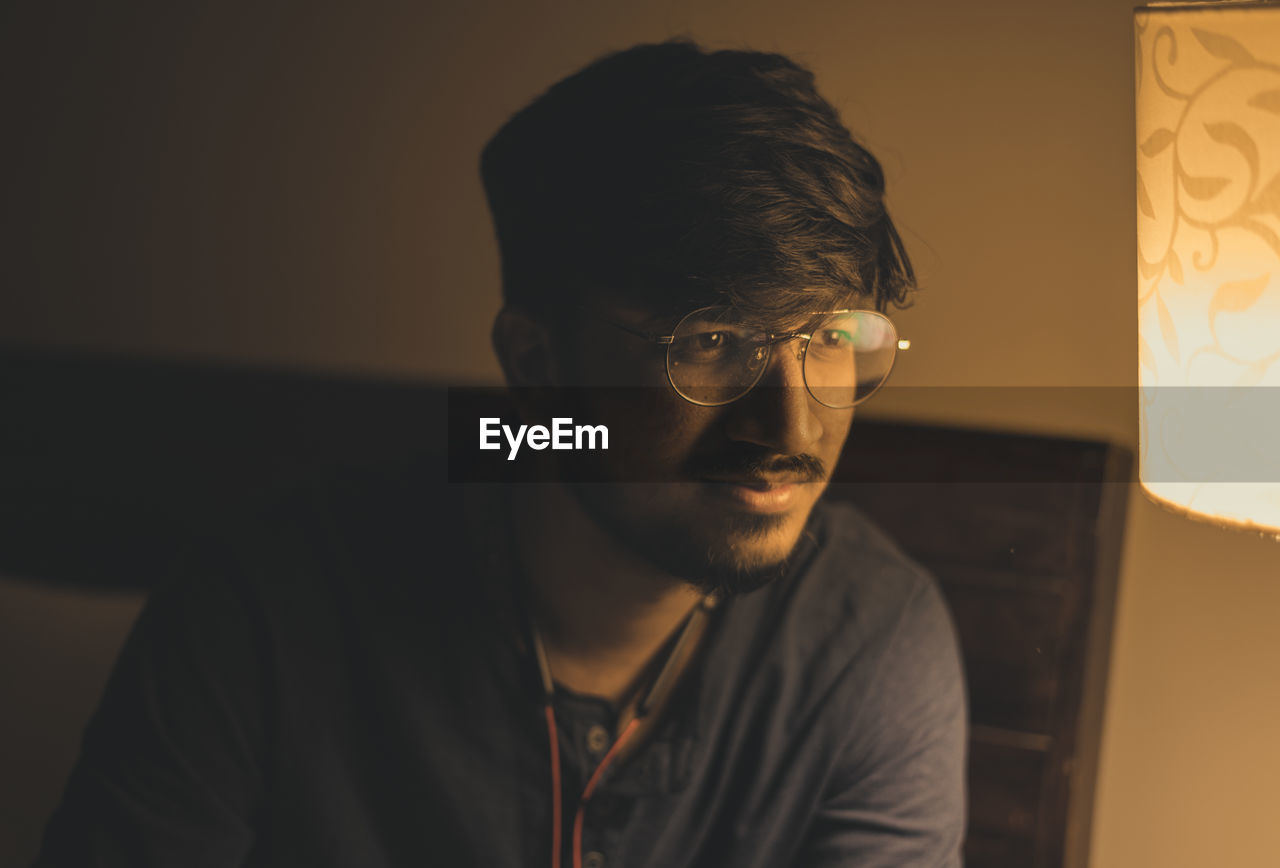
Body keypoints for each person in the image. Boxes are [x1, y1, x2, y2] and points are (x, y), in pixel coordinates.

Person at [35, 39, 966, 867]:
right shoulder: (259, 611)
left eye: (833, 338)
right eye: (714, 343)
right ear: (538, 364)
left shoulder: (871, 640)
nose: (793, 433)